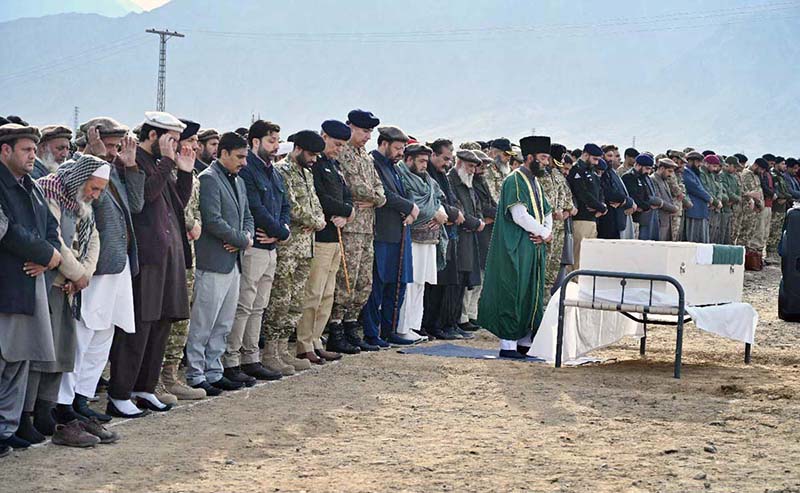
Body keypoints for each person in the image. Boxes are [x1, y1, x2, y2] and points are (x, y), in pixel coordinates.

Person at [55, 117, 141, 430]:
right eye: (113, 144)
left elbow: (136, 204)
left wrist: (130, 168)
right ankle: (63, 404)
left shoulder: (114, 169)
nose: (117, 150)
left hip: (116, 267)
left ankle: (82, 398)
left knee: (103, 335)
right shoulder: (78, 169)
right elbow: (79, 195)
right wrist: (91, 157)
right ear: (94, 139)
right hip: (92, 269)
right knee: (83, 335)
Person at [108, 112, 193, 418]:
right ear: (154, 136)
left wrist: (184, 172)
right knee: (139, 326)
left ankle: (145, 387)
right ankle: (120, 393)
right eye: (171, 138)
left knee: (161, 324)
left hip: (168, 257)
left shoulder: (160, 164)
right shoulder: (132, 161)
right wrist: (169, 163)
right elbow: (141, 198)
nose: (176, 145)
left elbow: (177, 205)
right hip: (147, 258)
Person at [34, 154, 113, 448]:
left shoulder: (82, 202)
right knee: (42, 351)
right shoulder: (51, 190)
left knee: (62, 351)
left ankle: (46, 412)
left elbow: (93, 238)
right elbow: (55, 239)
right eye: (94, 188)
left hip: (70, 285)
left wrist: (84, 275)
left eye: (100, 191)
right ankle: (32, 414)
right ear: (81, 179)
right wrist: (77, 273)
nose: (95, 195)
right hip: (50, 283)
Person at [0, 124, 61, 454]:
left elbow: (51, 230)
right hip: (6, 286)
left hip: (29, 286)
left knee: (17, 364)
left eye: (34, 150)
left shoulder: (33, 187)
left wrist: (48, 258)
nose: (33, 155)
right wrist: (46, 254)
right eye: (26, 150)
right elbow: (7, 232)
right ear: (5, 151)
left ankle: (6, 430)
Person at [185, 132, 254, 393]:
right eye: (239, 157)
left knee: (223, 322)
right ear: (222, 153)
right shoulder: (209, 179)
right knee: (203, 321)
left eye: (245, 157)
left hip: (233, 260)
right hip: (212, 261)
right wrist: (241, 239)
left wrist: (243, 239)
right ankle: (195, 373)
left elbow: (248, 216)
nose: (244, 162)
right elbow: (212, 220)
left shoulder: (238, 181)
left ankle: (214, 370)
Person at [478, 136, 552, 358]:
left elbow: (546, 211)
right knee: (513, 291)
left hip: (533, 245)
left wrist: (545, 233)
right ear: (530, 158)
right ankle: (508, 345)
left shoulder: (535, 182)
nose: (547, 162)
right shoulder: (514, 180)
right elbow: (518, 214)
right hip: (515, 246)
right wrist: (544, 233)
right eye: (543, 158)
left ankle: (525, 341)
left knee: (530, 293)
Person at [224, 120, 287, 380]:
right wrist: (278, 231)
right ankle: (232, 360)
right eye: (271, 141)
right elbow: (255, 209)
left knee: (259, 305)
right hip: (255, 247)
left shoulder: (273, 172)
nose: (275, 147)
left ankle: (252, 357)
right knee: (244, 305)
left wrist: (281, 232)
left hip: (271, 246)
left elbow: (285, 205)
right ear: (255, 142)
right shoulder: (248, 170)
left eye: (277, 142)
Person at [262, 131, 326, 366]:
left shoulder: (307, 174)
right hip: (288, 248)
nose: (314, 159)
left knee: (296, 302)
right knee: (281, 299)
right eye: (311, 154)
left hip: (305, 248)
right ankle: (270, 352)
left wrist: (318, 219)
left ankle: (282, 350)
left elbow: (316, 203)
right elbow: (292, 207)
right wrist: (315, 221)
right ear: (297, 149)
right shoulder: (282, 172)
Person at [297, 120, 356, 358]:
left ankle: (316, 339)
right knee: (313, 292)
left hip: (335, 237)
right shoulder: (316, 166)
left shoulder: (335, 166)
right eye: (335, 144)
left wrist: (348, 213)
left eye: (342, 146)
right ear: (323, 137)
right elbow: (320, 198)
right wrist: (344, 210)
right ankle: (304, 344)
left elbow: (347, 195)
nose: (338, 149)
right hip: (320, 236)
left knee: (328, 294)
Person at [330, 109, 386, 352]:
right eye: (364, 131)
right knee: (345, 280)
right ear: (350, 127)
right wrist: (375, 197)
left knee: (364, 282)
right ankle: (336, 329)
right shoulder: (342, 153)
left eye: (370, 132)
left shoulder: (365, 156)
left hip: (366, 228)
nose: (367, 137)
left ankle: (352, 325)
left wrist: (375, 199)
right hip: (350, 228)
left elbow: (379, 190)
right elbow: (355, 187)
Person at [158, 119, 206, 403]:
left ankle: (171, 376)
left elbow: (194, 208)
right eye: (192, 141)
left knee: (182, 318)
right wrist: (189, 221)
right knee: (165, 317)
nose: (196, 146)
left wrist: (194, 222)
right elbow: (172, 208)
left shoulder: (191, 173)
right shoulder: (166, 171)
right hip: (169, 252)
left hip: (187, 252)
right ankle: (155, 381)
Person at [365, 126, 417, 347]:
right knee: (377, 285)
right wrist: (410, 207)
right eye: (397, 148)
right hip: (381, 233)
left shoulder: (393, 167)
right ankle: (371, 332)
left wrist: (411, 207)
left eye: (403, 149)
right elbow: (384, 194)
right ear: (383, 144)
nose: (400, 153)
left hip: (398, 232)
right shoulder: (373, 163)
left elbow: (404, 192)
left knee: (396, 285)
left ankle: (389, 329)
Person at [396, 143, 450, 343]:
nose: (424, 165)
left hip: (429, 239)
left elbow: (437, 199)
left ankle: (413, 326)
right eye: (420, 161)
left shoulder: (427, 180)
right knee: (409, 284)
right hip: (412, 238)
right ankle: (402, 328)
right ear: (408, 160)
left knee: (420, 284)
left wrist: (440, 213)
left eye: (426, 161)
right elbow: (413, 205)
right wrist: (434, 213)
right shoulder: (403, 177)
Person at [461, 147, 495, 329]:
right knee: (472, 279)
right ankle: (464, 315)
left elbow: (493, 205)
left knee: (480, 276)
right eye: (481, 166)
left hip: (485, 233)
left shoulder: (481, 182)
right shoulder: (470, 183)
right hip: (476, 232)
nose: (482, 170)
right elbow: (483, 209)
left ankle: (473, 314)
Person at [541, 143, 578, 291]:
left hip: (558, 229)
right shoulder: (538, 176)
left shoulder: (557, 175)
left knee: (553, 270)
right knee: (540, 268)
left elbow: (569, 201)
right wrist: (554, 211)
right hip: (544, 228)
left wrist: (565, 212)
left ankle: (546, 304)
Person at [567, 143, 606, 270]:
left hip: (592, 219)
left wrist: (602, 207)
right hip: (580, 219)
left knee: (587, 258)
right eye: (594, 159)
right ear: (585, 155)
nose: (596, 163)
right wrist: (600, 207)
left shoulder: (592, 172)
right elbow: (583, 194)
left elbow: (599, 192)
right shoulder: (576, 170)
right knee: (577, 258)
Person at [622, 154, 663, 240]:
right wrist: (647, 206)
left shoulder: (643, 177)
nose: (648, 172)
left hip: (645, 216)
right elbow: (634, 197)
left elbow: (646, 196)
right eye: (647, 168)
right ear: (638, 165)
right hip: (635, 217)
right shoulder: (629, 177)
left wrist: (647, 205)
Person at [682, 151, 713, 243]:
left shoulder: (694, 173)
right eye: (698, 162)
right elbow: (695, 188)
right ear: (691, 161)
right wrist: (709, 198)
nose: (700, 164)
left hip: (701, 211)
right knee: (694, 239)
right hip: (694, 211)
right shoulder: (686, 172)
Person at [740, 159, 765, 266]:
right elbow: (750, 192)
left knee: (750, 234)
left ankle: (747, 259)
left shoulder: (755, 175)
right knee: (743, 234)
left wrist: (760, 206)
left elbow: (758, 192)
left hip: (754, 209)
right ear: (755, 165)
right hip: (747, 209)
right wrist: (757, 203)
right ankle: (741, 259)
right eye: (761, 169)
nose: (762, 172)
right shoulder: (746, 174)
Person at [651, 158, 680, 241]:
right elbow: (658, 200)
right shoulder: (653, 179)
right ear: (662, 168)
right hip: (659, 221)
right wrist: (674, 208)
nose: (670, 174)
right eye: (669, 171)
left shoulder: (664, 181)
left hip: (666, 221)